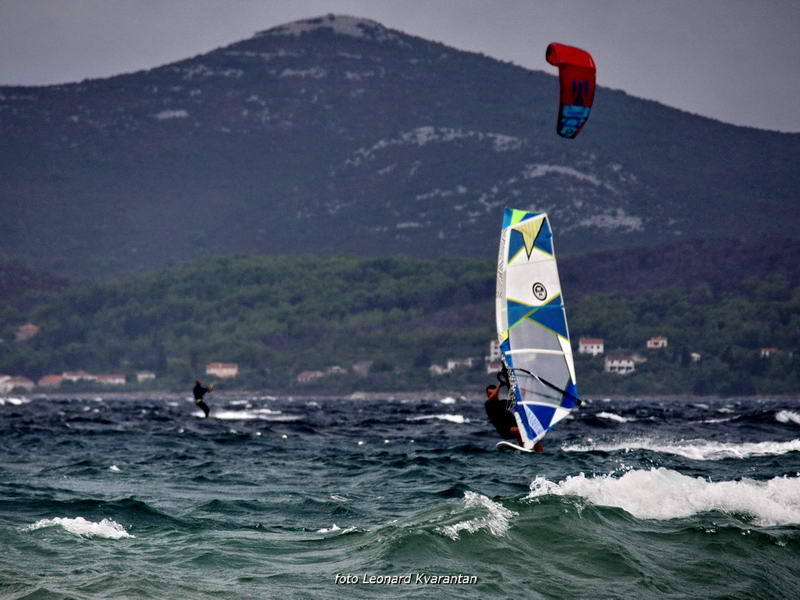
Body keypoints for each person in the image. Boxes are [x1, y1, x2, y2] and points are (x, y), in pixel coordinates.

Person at [485, 368, 544, 452]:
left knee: (533, 434)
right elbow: (492, 398)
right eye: (489, 394)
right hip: (504, 430)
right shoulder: (488, 404)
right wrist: (500, 385)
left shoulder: (503, 403)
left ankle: (540, 452)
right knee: (518, 431)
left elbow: (518, 400)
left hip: (515, 425)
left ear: (497, 393)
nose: (490, 395)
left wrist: (524, 384)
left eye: (492, 393)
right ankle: (523, 447)